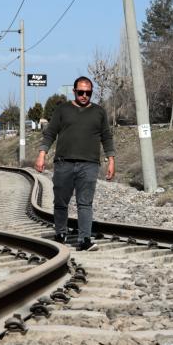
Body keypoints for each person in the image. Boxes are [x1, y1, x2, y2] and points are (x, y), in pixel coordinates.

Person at [35, 76, 115, 251]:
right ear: (74, 92)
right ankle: (61, 232)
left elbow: (106, 137)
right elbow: (50, 134)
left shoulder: (99, 112)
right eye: (81, 92)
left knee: (85, 202)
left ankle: (84, 240)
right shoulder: (62, 110)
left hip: (90, 164)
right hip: (64, 164)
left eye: (88, 92)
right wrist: (42, 155)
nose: (84, 95)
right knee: (61, 202)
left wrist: (111, 160)